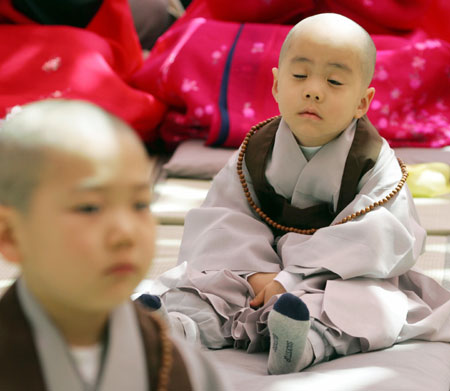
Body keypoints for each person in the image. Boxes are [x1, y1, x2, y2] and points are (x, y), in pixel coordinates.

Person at [141, 12, 450, 376]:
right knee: (203, 284)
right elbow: (224, 217)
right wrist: (258, 273)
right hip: (254, 270)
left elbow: (377, 238)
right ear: (275, 85)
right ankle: (181, 329)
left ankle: (302, 343)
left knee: (369, 304)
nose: (313, 90)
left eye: (334, 81)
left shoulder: (375, 164)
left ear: (362, 102)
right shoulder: (255, 151)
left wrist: (291, 280)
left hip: (334, 276)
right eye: (300, 75)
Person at [0, 99, 229, 390]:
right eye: (90, 208)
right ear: (11, 235)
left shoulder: (178, 364)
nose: (125, 233)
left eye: (139, 204)